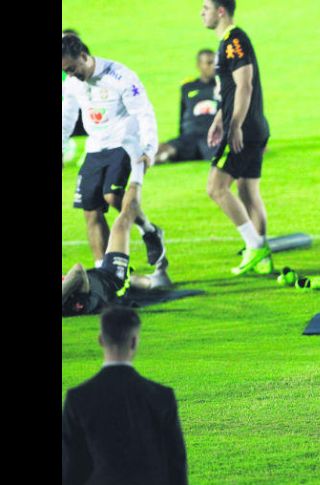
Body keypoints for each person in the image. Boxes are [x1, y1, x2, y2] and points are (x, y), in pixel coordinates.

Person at [62, 35, 168, 270]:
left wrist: (150, 148)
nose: (70, 75)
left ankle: (147, 231)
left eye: (72, 68)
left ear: (83, 55)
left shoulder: (119, 76)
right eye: (66, 72)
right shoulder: (71, 83)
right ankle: (104, 271)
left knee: (112, 196)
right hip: (95, 146)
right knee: (90, 211)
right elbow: (66, 118)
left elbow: (144, 113)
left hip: (124, 142)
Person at [62, 306, 188, 485]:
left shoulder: (78, 398)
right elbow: (176, 465)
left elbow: (70, 468)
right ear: (134, 342)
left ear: (100, 340)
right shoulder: (161, 397)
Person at [201, 0, 273, 275]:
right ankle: (263, 258)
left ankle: (255, 247)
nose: (201, 13)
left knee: (216, 188)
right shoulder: (226, 42)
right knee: (248, 191)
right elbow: (230, 90)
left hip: (245, 128)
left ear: (221, 11)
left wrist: (234, 125)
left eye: (205, 8)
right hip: (254, 126)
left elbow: (245, 85)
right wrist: (220, 119)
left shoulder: (234, 39)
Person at [62, 164, 171, 317]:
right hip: (113, 281)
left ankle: (159, 278)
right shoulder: (77, 304)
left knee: (134, 283)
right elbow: (78, 272)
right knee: (122, 222)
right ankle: (138, 168)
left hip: (100, 274)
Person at [156, 49, 220, 163]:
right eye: (209, 63)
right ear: (199, 65)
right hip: (190, 137)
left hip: (212, 137)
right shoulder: (188, 87)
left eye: (216, 62)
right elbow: (182, 115)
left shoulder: (224, 87)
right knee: (163, 151)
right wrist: (181, 137)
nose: (214, 66)